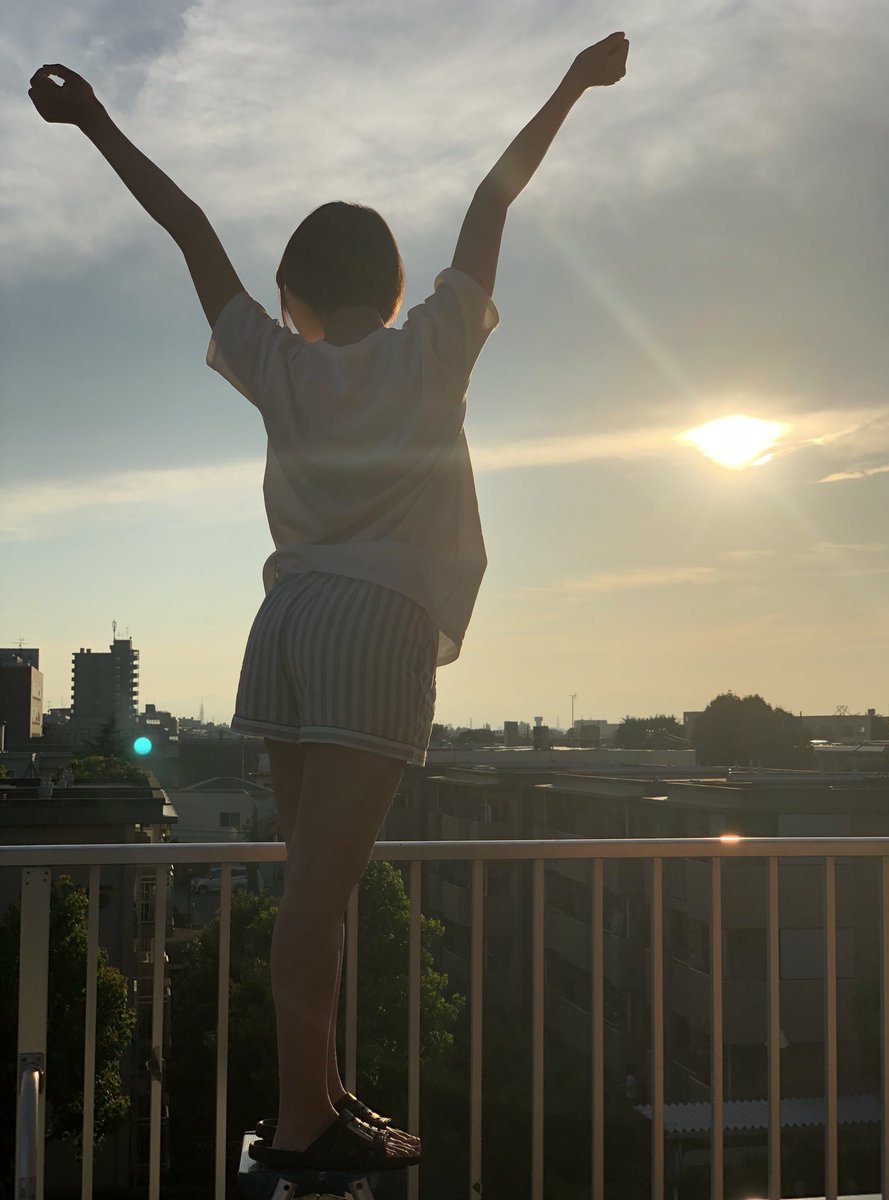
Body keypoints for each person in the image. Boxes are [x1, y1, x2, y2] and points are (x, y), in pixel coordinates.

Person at [28, 29, 629, 1172]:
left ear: (294, 295)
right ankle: (304, 1121)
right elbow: (492, 199)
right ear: (396, 289)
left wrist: (95, 120)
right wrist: (571, 84)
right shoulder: (432, 347)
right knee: (321, 892)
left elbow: (191, 229)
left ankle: (322, 1094)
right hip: (377, 618)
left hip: (288, 621)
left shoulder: (280, 362)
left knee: (317, 884)